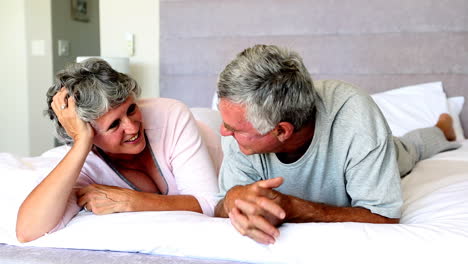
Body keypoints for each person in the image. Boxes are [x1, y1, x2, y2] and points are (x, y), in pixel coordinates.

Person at [213, 44, 461, 245]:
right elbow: (220, 206)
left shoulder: (355, 116)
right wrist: (233, 198)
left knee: (408, 150)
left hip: (382, 150)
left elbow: (385, 218)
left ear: (281, 130)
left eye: (234, 129)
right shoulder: (238, 123)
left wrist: (294, 208)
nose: (224, 132)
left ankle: (442, 128)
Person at [16, 59, 220, 243]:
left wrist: (131, 200)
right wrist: (81, 143)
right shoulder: (86, 159)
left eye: (131, 109)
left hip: (211, 130)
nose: (132, 127)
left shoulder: (172, 115)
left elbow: (211, 204)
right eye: (114, 125)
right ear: (88, 134)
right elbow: (27, 231)